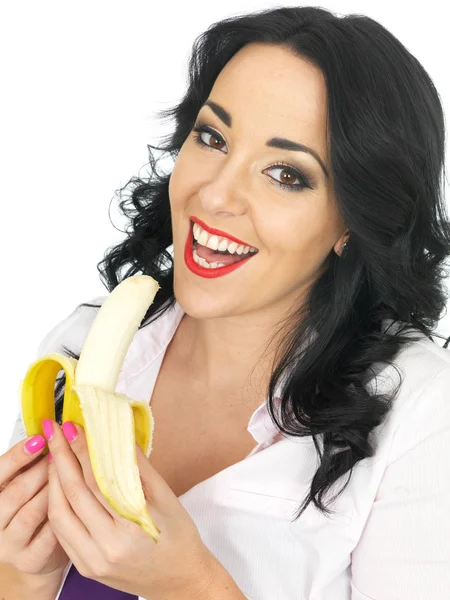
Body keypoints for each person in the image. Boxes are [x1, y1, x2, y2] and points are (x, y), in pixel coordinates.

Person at [2, 5, 450, 599]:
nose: (214, 194)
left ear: (353, 220)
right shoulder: (80, 347)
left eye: (286, 174)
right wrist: (24, 573)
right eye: (212, 137)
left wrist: (188, 584)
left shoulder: (420, 415)